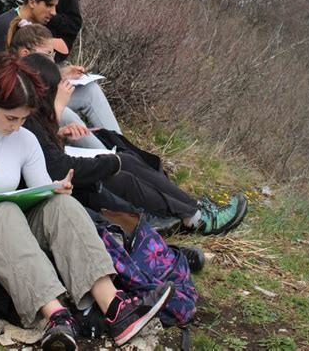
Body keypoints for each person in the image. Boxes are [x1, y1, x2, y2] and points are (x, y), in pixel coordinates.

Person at [0, 54, 174, 350]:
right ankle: (57, 317)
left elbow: (40, 194)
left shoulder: (25, 139)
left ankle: (115, 307)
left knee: (61, 206)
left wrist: (57, 189)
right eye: (11, 118)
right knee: (3, 211)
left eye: (24, 118)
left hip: (9, 230)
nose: (16, 127)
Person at [22, 53, 248, 237]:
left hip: (62, 180)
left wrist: (60, 133)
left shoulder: (29, 114)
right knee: (118, 170)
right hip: (57, 191)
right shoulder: (26, 116)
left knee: (123, 163)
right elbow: (57, 166)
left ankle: (194, 211)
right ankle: (193, 216)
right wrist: (58, 110)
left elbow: (46, 150)